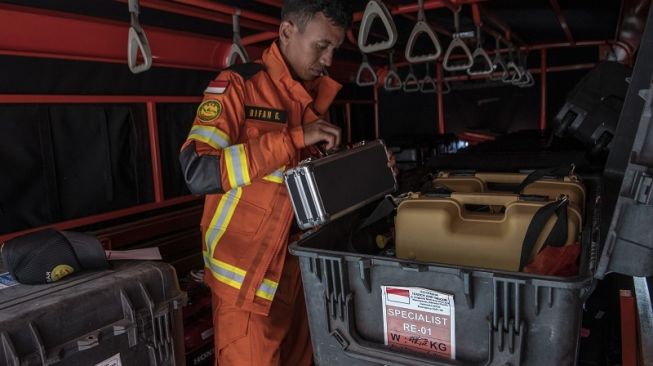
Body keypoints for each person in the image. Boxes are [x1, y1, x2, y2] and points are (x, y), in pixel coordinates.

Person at [179, 1, 362, 365]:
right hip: (247, 282)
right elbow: (198, 170)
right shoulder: (236, 86)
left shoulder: (315, 102)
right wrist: (293, 137)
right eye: (321, 45)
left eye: (334, 49)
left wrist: (362, 169)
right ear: (286, 32)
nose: (327, 60)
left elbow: (309, 187)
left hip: (302, 274)